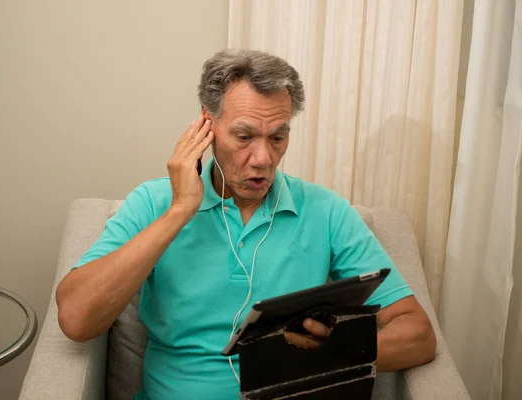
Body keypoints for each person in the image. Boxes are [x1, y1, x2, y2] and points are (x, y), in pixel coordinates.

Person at [55, 49, 436, 400]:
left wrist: (333, 350)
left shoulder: (326, 211)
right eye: (244, 136)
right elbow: (76, 319)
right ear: (207, 126)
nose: (262, 158)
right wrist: (180, 210)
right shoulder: (153, 203)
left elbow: (417, 335)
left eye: (278, 137)